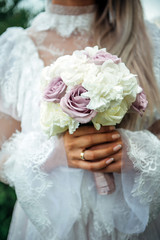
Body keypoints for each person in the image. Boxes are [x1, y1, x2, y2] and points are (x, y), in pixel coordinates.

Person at [0, 0, 160, 239]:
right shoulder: (15, 47)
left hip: (131, 227)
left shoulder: (150, 39)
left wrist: (140, 154)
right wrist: (54, 153)